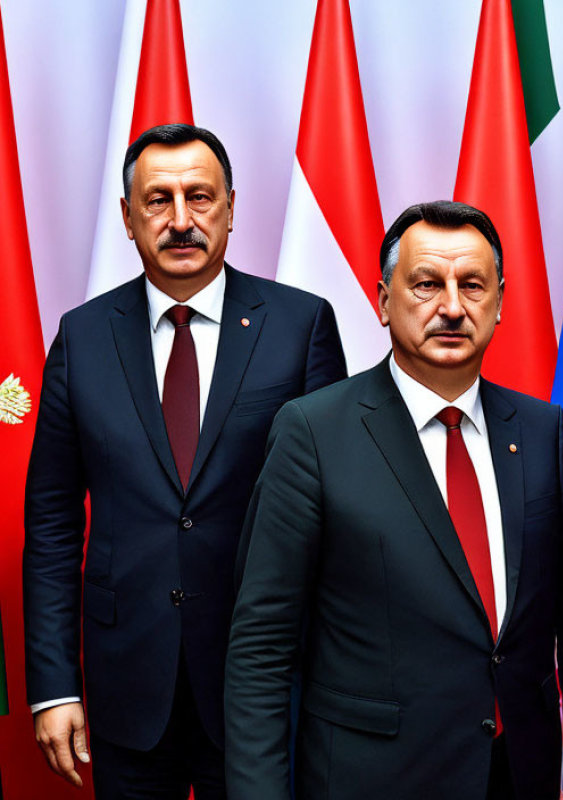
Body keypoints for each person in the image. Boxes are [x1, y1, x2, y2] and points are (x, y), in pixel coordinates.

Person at [225, 200, 563, 800]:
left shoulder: (543, 431)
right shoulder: (314, 431)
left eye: (473, 286)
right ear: (384, 300)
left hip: (519, 775)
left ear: (501, 302)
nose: (453, 308)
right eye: (427, 285)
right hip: (370, 779)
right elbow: (262, 647)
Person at [23, 123, 347, 798]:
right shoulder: (81, 336)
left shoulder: (301, 325)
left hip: (263, 681)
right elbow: (51, 524)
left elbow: (336, 517)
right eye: (157, 200)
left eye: (199, 198)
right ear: (127, 216)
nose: (180, 221)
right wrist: (53, 689)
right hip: (125, 683)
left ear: (230, 207)